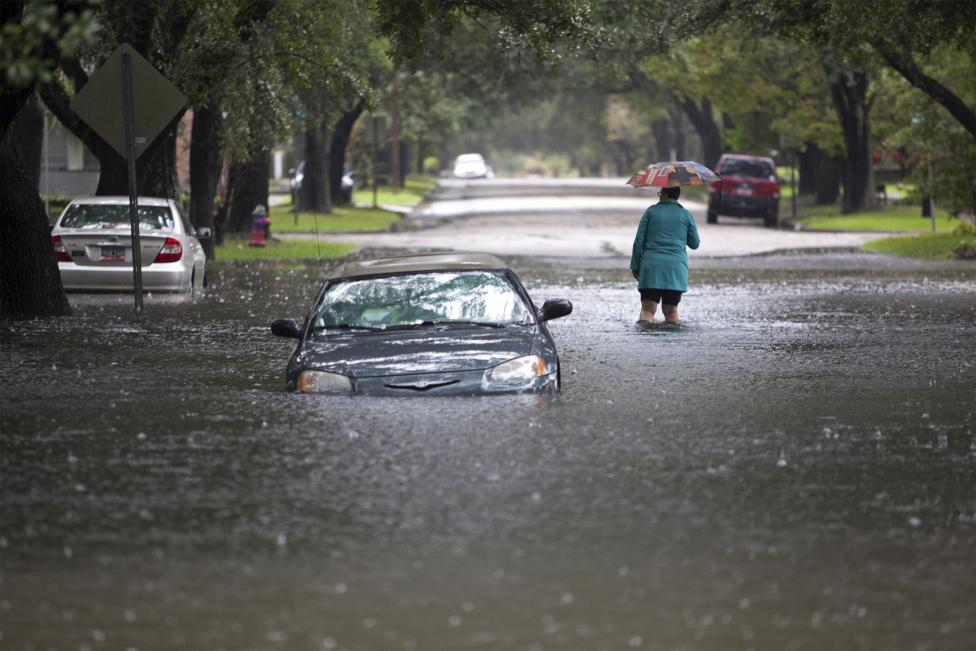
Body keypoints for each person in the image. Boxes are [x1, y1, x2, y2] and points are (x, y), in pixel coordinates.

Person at [629, 185, 701, 324]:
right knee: (671, 312)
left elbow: (639, 241)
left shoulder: (651, 212)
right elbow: (695, 244)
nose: (660, 196)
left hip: (651, 268)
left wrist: (636, 266)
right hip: (675, 270)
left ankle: (645, 344)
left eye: (660, 193)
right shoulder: (686, 214)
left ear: (666, 193)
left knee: (648, 311)